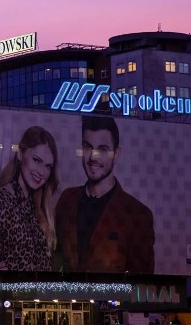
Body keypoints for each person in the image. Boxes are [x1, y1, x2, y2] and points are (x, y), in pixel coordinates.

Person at [55, 116, 155, 273]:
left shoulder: (138, 214)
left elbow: (143, 285)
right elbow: (54, 259)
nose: (93, 157)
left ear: (117, 154)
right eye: (88, 147)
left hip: (112, 298)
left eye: (103, 149)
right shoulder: (67, 199)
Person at [0, 126, 59, 271]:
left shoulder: (39, 209)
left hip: (40, 293)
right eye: (36, 160)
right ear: (20, 154)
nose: (41, 172)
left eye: (48, 166)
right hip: (10, 293)